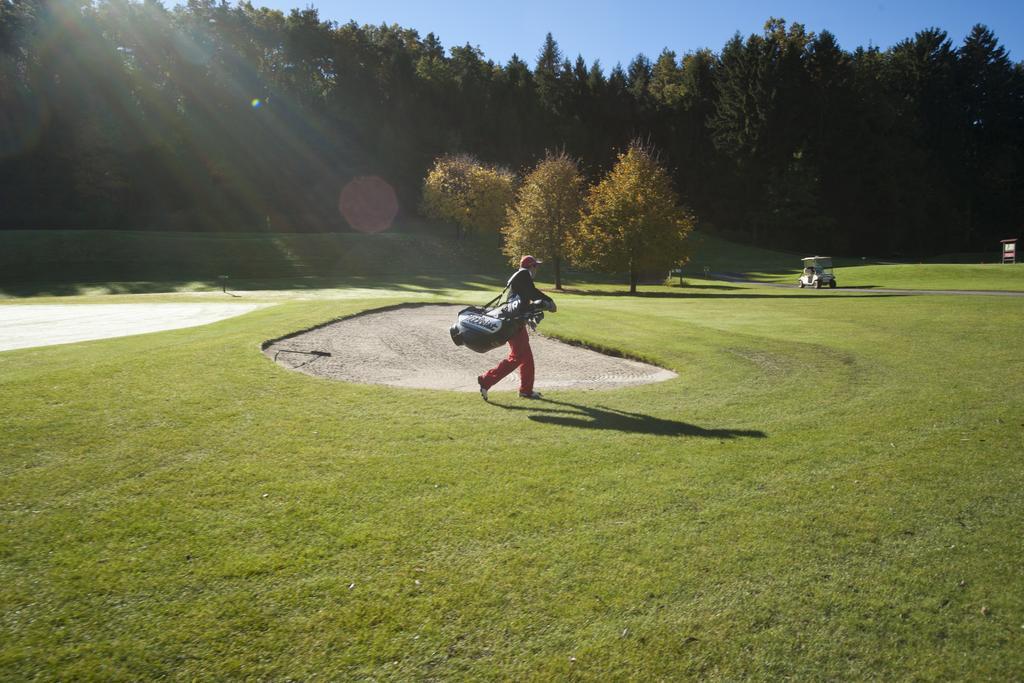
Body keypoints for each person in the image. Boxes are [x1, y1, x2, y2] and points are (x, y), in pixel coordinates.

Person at [477, 255, 556, 401]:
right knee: (517, 357)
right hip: (513, 324)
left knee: (527, 358)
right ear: (531, 267)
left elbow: (527, 297)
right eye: (535, 266)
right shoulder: (523, 275)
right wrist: (549, 301)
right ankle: (486, 379)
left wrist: (541, 304)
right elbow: (533, 293)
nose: (536, 269)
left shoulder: (521, 278)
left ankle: (526, 391)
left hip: (516, 323)